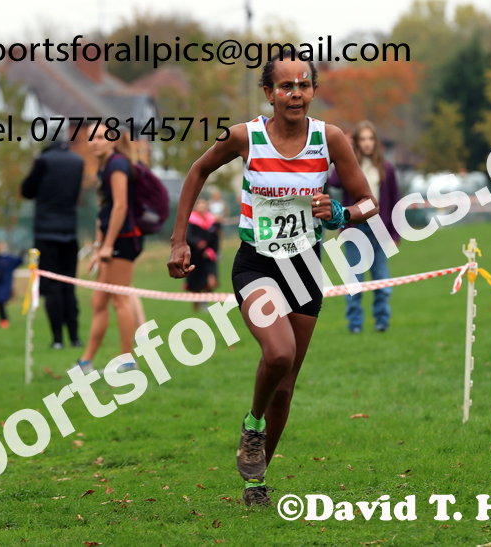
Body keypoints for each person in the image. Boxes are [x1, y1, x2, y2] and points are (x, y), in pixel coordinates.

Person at [167, 50, 378, 506]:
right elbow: (198, 169)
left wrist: (341, 212)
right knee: (278, 353)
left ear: (313, 91)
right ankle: (253, 423)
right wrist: (178, 239)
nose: (295, 93)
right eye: (286, 86)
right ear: (269, 93)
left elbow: (368, 202)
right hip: (257, 263)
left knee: (286, 386)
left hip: (305, 268)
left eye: (303, 85)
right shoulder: (245, 136)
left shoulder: (331, 139)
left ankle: (256, 481)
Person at [75, 124, 142, 374]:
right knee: (98, 300)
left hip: (123, 240)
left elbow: (120, 207)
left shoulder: (117, 165)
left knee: (119, 300)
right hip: (110, 242)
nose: (95, 142)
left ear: (113, 141)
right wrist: (97, 247)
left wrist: (109, 245)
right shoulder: (104, 166)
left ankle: (128, 360)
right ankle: (86, 361)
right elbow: (103, 212)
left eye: (101, 137)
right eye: (92, 137)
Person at [327, 120, 400, 333]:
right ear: (357, 142)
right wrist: (345, 150)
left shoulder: (386, 168)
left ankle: (382, 320)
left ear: (376, 142)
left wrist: (394, 233)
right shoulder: (349, 166)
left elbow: (395, 201)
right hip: (354, 228)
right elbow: (333, 181)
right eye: (362, 139)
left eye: (370, 139)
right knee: (354, 281)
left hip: (379, 228)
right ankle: (355, 323)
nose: (367, 143)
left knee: (382, 279)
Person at [21, 141, 84, 349]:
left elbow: (27, 190)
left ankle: (57, 339)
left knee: (52, 287)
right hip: (69, 230)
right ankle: (74, 337)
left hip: (45, 232)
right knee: (69, 285)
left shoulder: (43, 161)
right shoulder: (78, 162)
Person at [185, 198, 220, 312]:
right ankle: (196, 308)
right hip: (195, 257)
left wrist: (212, 251)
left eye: (204, 205)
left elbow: (216, 239)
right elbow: (188, 237)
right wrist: (198, 242)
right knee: (196, 285)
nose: (202, 208)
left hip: (209, 257)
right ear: (196, 208)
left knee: (211, 282)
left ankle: (205, 303)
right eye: (200, 206)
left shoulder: (211, 221)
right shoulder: (191, 221)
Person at [0, 241, 24, 329]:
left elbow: (18, 261)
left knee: (3, 301)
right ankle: (3, 319)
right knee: (0, 302)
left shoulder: (8, 259)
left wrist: (22, 255)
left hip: (6, 284)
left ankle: (4, 318)